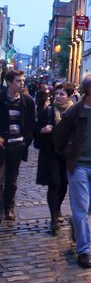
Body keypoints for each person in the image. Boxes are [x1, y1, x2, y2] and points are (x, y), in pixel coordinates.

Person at [53, 74, 91, 269]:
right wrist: (68, 154)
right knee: (81, 209)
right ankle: (83, 251)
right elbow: (58, 137)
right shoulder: (74, 112)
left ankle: (76, 223)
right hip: (78, 167)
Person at [34, 82, 74, 235]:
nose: (58, 96)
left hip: (67, 155)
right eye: (56, 94)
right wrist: (42, 129)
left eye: (62, 94)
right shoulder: (47, 112)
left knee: (64, 184)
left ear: (69, 96)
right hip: (51, 153)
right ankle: (53, 219)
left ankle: (57, 209)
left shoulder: (74, 112)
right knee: (54, 184)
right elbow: (35, 129)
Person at [0, 69, 36, 222]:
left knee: (12, 180)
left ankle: (9, 208)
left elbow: (31, 125)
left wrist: (24, 142)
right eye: (18, 81)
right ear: (9, 82)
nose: (22, 83)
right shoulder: (1, 98)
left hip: (17, 146)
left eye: (23, 80)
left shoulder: (27, 101)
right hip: (1, 146)